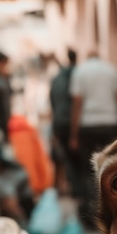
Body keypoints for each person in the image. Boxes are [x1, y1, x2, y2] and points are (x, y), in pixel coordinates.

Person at [69, 51, 117, 227]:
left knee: (89, 171)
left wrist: (74, 135)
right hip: (111, 123)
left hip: (88, 125)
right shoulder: (111, 70)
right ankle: (114, 214)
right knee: (113, 169)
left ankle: (92, 218)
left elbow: (77, 103)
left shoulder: (81, 71)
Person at [49, 49, 81, 198]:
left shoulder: (57, 78)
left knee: (67, 157)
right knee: (78, 157)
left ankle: (72, 187)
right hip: (73, 121)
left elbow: (53, 103)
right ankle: (77, 190)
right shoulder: (78, 74)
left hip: (59, 122)